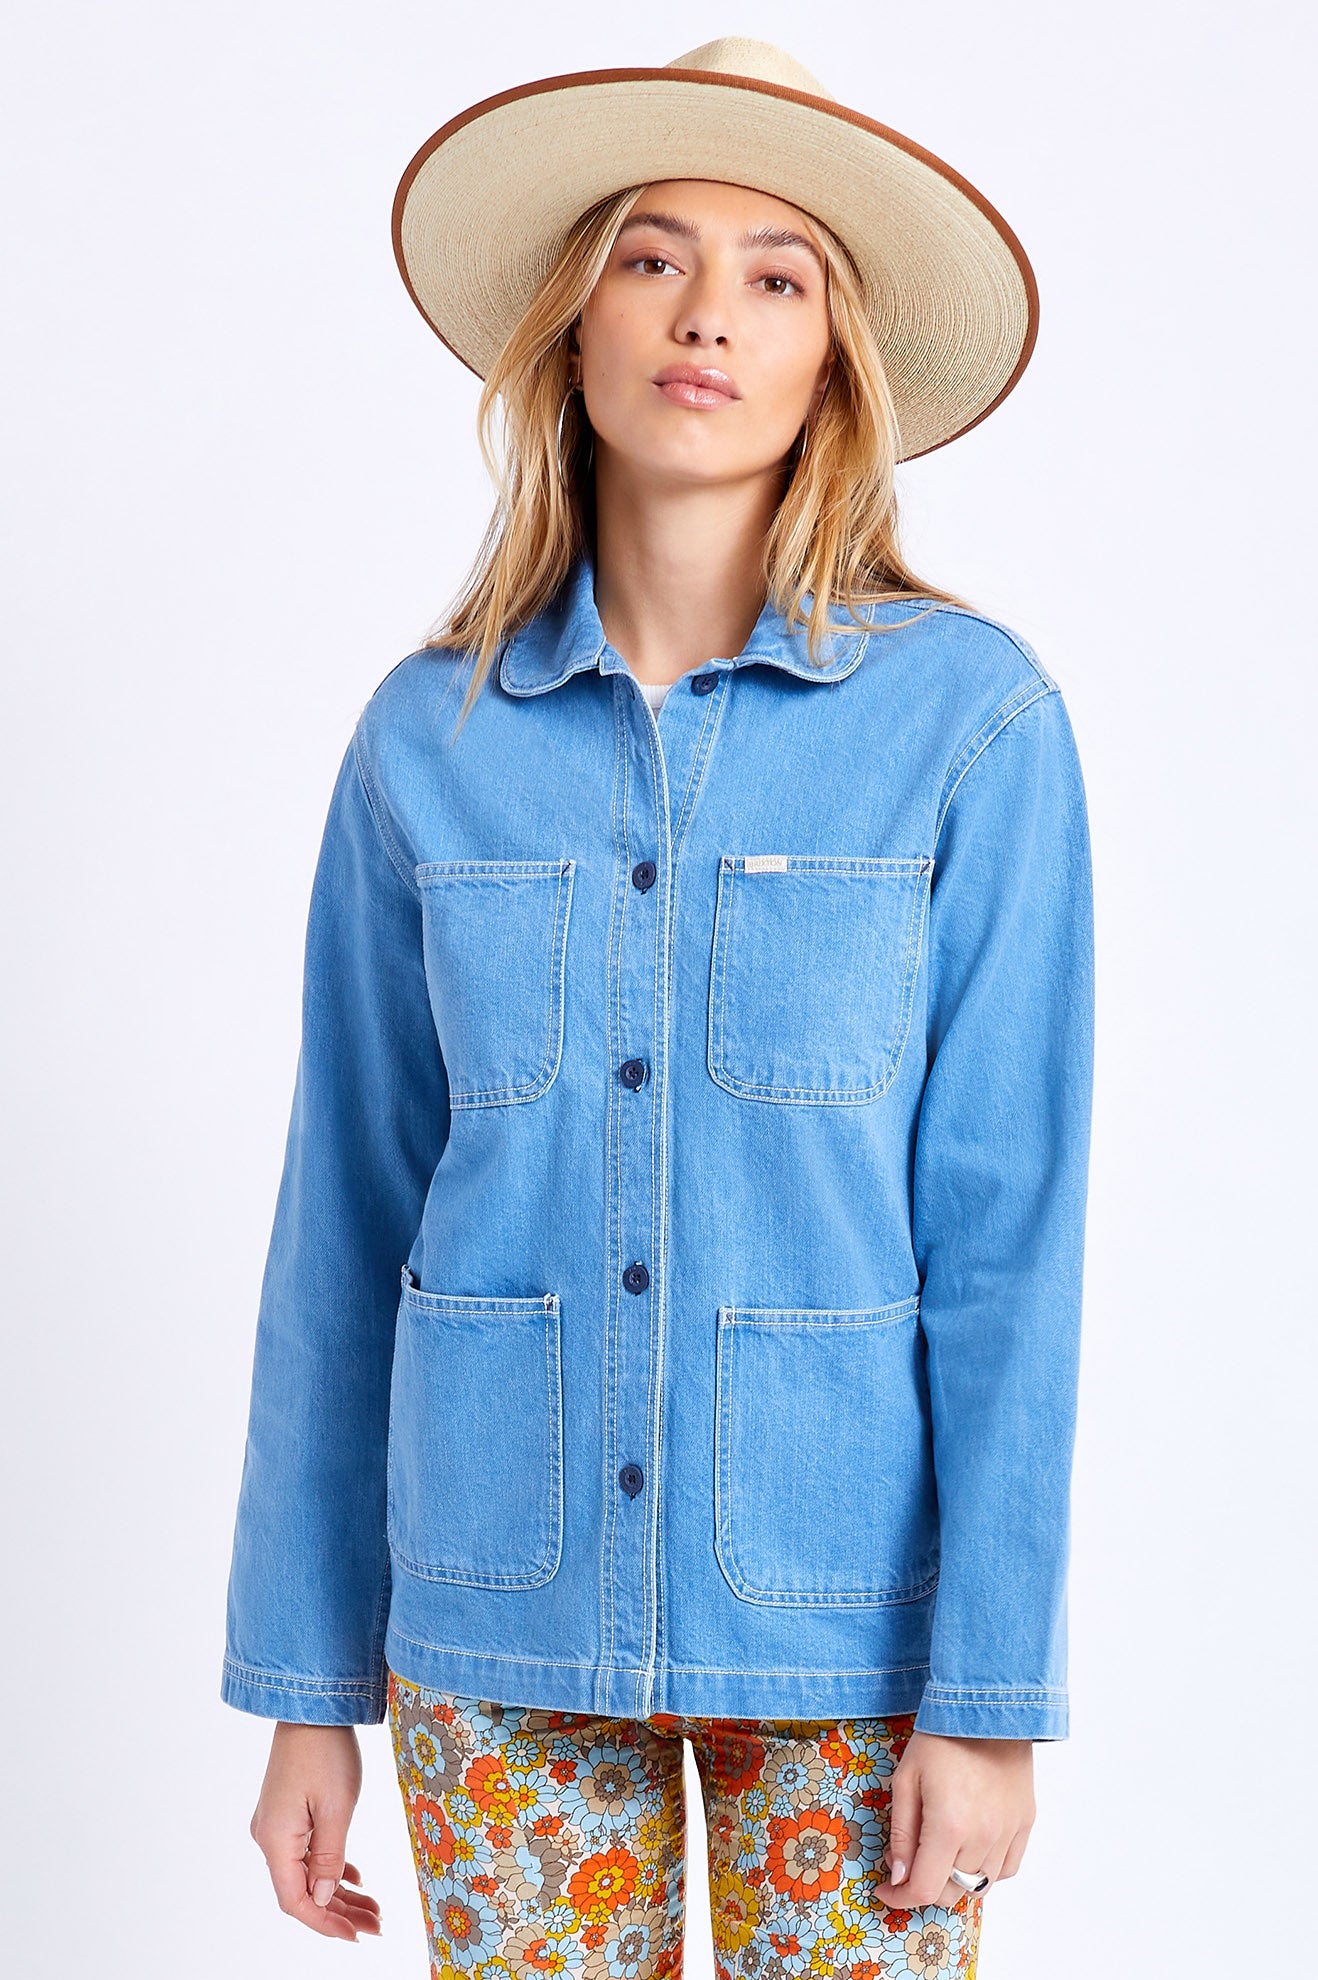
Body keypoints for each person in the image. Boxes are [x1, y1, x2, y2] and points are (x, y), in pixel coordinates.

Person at [222, 36, 1095, 1980]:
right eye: (650, 257)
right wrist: (303, 1685)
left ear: (831, 361)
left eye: (775, 276)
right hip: (490, 1619)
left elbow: (1007, 1239)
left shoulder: (971, 727)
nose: (707, 315)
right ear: (573, 324)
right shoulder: (425, 741)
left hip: (851, 1636)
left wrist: (989, 1694)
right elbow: (343, 1219)